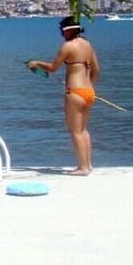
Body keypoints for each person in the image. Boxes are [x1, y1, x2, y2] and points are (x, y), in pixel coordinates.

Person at [26, 16, 101, 175]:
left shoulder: (67, 47)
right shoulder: (88, 45)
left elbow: (52, 68)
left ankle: (83, 168)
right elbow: (96, 70)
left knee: (75, 131)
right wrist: (90, 85)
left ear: (68, 31)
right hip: (89, 92)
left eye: (62, 31)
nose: (61, 35)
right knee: (83, 130)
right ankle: (88, 164)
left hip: (74, 93)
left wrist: (36, 63)